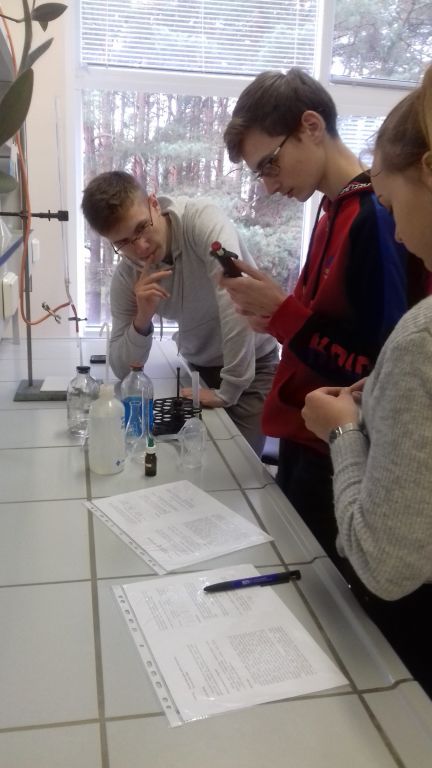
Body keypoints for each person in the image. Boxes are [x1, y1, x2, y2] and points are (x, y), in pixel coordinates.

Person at [222, 68, 427, 558]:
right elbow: (329, 326)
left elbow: (381, 367)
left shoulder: (376, 217)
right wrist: (276, 312)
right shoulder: (332, 207)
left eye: (270, 164)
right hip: (308, 437)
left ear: (310, 127)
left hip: (339, 453)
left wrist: (284, 316)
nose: (268, 185)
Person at [301, 63, 432, 697]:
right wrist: (384, 395)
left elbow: (384, 563)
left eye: (395, 203)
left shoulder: (420, 340)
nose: (397, 229)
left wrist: (345, 432)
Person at [81, 171, 279, 455]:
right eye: (123, 242)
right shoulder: (127, 277)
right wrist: (142, 319)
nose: (140, 247)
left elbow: (236, 302)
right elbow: (122, 368)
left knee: (239, 466)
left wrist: (229, 389)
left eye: (141, 227)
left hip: (252, 367)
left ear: (154, 203)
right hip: (197, 371)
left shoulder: (202, 221)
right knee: (196, 463)